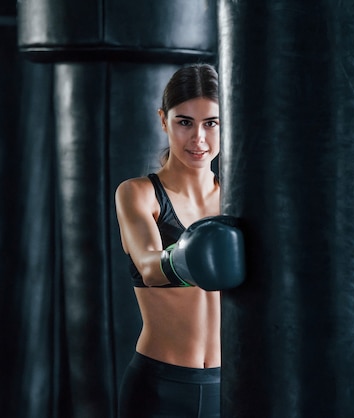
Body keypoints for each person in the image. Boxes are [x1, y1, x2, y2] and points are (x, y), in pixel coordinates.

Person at [115, 64, 224, 418]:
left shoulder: (240, 198)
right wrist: (197, 254)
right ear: (163, 120)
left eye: (211, 123)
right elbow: (149, 267)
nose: (199, 139)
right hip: (159, 387)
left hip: (232, 384)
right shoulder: (139, 194)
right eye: (184, 122)